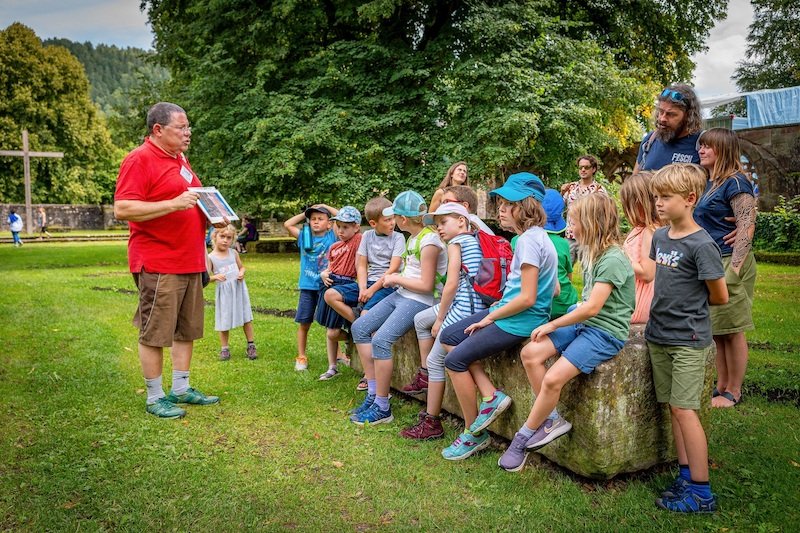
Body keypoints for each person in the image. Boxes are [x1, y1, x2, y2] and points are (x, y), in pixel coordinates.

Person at [497, 193, 634, 472]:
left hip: (605, 332)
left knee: (552, 379)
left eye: (574, 222)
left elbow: (594, 307)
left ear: (592, 222)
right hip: (584, 323)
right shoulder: (590, 252)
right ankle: (552, 418)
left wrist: (553, 323)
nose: (570, 228)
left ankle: (522, 438)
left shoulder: (613, 258)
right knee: (531, 353)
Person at [437, 172, 557, 461]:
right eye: (500, 203)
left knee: (454, 359)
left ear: (525, 206)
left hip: (518, 321)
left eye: (507, 203)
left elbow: (527, 297)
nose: (500, 209)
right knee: (449, 336)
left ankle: (472, 434)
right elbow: (553, 289)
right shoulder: (536, 238)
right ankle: (491, 396)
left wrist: (490, 317)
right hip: (511, 314)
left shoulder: (528, 241)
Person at [114, 101, 220, 419]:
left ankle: (182, 388)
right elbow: (123, 208)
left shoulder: (180, 160)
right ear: (158, 130)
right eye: (181, 127)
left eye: (189, 127)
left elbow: (196, 199)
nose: (188, 133)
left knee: (186, 329)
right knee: (156, 331)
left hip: (189, 259)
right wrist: (173, 204)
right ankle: (154, 396)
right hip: (159, 260)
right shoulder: (139, 159)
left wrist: (216, 216)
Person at [647, 163, 728, 513]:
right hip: (657, 335)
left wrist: (689, 309)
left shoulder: (702, 244)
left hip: (688, 339)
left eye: (665, 197)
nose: (658, 204)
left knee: (685, 409)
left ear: (690, 198)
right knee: (673, 407)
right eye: (656, 197)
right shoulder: (660, 237)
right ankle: (685, 476)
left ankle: (702, 492)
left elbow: (720, 296)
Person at [349, 190, 448, 426]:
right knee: (360, 327)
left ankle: (383, 406)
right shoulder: (412, 238)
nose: (394, 222)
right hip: (402, 294)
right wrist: (396, 279)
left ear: (403, 219)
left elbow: (426, 285)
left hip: (420, 300)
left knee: (381, 340)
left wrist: (394, 278)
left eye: (396, 217)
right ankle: (373, 394)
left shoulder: (429, 241)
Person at [400, 202, 487, 440]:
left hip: (465, 309)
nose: (439, 228)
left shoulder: (457, 243)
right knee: (420, 320)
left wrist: (440, 320)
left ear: (461, 221)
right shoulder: (475, 238)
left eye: (443, 222)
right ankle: (425, 374)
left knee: (437, 359)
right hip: (474, 305)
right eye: (436, 225)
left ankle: (434, 422)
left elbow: (450, 286)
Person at [695, 128, 757, 408]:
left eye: (708, 146)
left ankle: (734, 390)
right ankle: (720, 386)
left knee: (733, 329)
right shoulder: (710, 182)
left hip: (730, 259)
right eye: (701, 145)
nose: (701, 150)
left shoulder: (736, 182)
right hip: (712, 261)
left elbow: (747, 225)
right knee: (718, 330)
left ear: (723, 150)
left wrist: (734, 269)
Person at [322, 197, 404, 390]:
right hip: (366, 284)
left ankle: (370, 376)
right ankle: (357, 325)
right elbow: (361, 264)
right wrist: (362, 289)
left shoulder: (398, 238)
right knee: (330, 295)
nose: (392, 223)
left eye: (393, 218)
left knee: (367, 318)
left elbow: (393, 268)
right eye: (388, 220)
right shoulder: (368, 237)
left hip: (386, 284)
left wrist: (371, 290)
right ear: (374, 223)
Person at [283, 204, 339, 371]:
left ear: (329, 224)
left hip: (327, 286)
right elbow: (288, 224)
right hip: (307, 286)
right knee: (304, 322)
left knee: (332, 323)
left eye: (320, 219)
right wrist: (304, 214)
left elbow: (343, 215)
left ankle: (339, 355)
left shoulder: (332, 237)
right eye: (313, 219)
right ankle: (301, 356)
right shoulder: (304, 236)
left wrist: (325, 206)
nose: (316, 222)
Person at [315, 206, 363, 381]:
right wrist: (323, 273)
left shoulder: (359, 240)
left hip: (348, 284)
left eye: (346, 227)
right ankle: (332, 367)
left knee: (332, 330)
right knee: (331, 332)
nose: (341, 231)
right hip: (331, 282)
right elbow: (330, 267)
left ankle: (360, 325)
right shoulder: (334, 246)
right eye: (338, 226)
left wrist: (330, 209)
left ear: (356, 227)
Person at [207, 224, 256, 360]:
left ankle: (251, 345)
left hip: (238, 289)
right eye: (222, 236)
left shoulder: (233, 253)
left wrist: (241, 273)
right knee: (224, 318)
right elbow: (205, 278)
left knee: (246, 317)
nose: (225, 240)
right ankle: (224, 348)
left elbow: (242, 268)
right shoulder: (211, 257)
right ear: (214, 236)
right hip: (224, 293)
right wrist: (215, 277)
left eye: (229, 238)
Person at [634, 84, 703, 172]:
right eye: (661, 111)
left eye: (671, 114)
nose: (662, 118)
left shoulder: (703, 144)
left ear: (688, 115)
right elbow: (634, 182)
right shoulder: (650, 140)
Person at [620, 171, 660, 323]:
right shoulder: (641, 229)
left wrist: (621, 258)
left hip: (639, 300)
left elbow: (647, 273)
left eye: (628, 205)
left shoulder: (650, 231)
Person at [561, 155, 607, 264]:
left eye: (586, 167)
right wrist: (562, 192)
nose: (583, 170)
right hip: (570, 235)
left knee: (589, 272)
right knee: (563, 270)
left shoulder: (599, 190)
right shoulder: (571, 188)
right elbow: (560, 207)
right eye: (580, 167)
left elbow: (604, 214)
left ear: (593, 169)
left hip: (589, 237)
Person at [542, 188, 578, 319]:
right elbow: (569, 277)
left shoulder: (518, 241)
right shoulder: (563, 243)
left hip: (542, 308)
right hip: (567, 304)